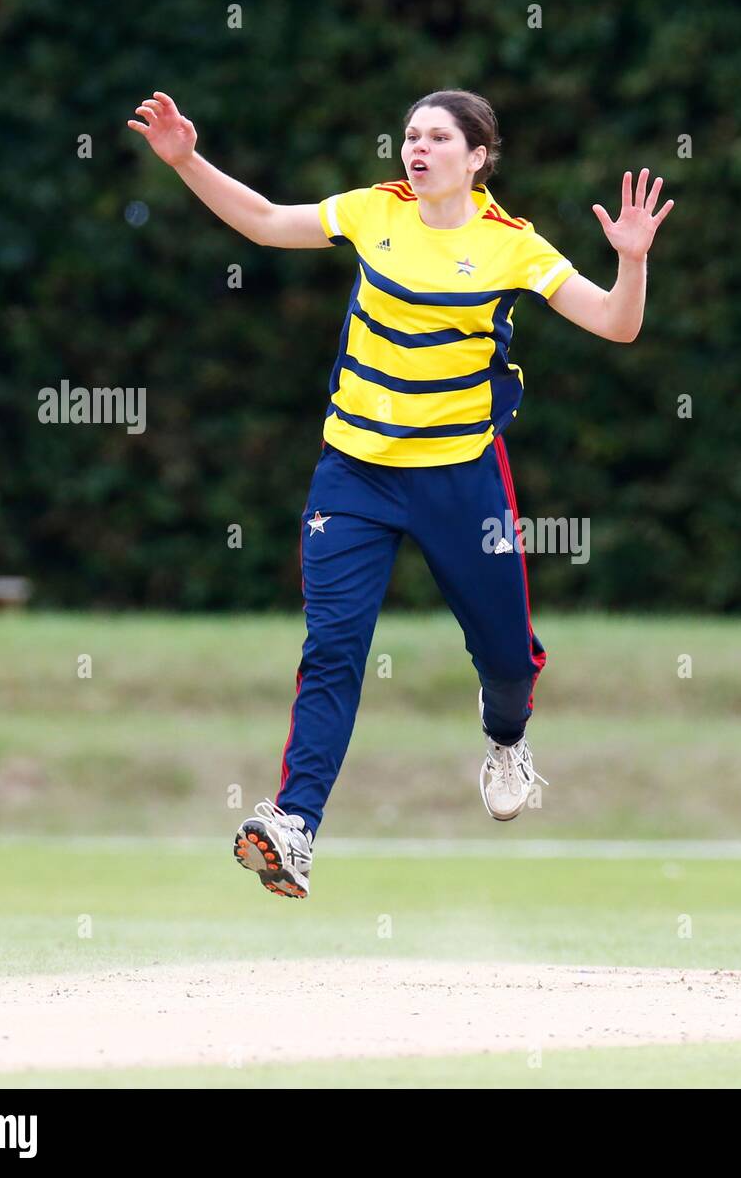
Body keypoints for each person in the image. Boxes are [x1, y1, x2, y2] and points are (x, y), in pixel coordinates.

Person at [128, 87, 673, 899]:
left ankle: (506, 739)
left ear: (477, 158)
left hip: (460, 478)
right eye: (410, 136)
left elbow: (616, 325)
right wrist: (185, 161)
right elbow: (268, 222)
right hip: (353, 473)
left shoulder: (513, 246)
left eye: (437, 138)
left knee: (505, 655)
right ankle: (295, 825)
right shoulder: (373, 212)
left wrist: (631, 260)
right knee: (333, 649)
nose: (417, 149)